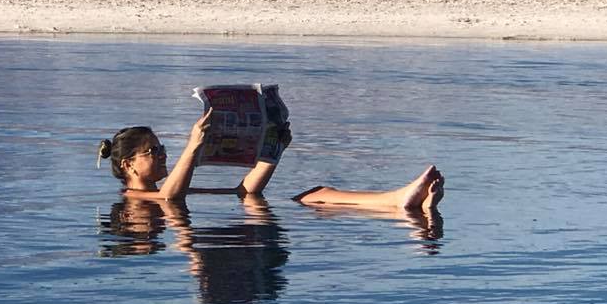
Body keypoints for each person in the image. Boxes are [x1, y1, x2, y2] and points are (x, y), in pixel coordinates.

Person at [97, 109, 445, 210]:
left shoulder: (164, 193)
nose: (161, 155)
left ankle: (401, 201)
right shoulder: (136, 199)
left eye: (162, 149)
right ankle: (400, 202)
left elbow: (242, 192)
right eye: (153, 151)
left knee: (316, 193)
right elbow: (169, 198)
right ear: (128, 164)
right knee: (311, 201)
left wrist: (274, 150)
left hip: (246, 216)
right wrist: (192, 147)